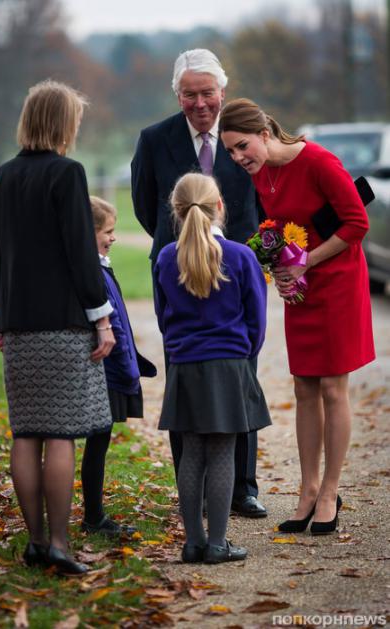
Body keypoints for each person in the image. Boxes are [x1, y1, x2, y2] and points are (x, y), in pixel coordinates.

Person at [220, 98, 375, 535]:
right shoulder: (263, 174)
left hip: (339, 281)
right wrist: (281, 271)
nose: (238, 158)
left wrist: (305, 261)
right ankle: (306, 490)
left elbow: (356, 224)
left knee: (332, 386)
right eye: (231, 151)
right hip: (303, 287)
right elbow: (278, 231)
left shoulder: (321, 163)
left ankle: (329, 491)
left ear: (265, 134)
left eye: (242, 146)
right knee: (304, 385)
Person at [0, 80, 116, 575]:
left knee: (26, 432)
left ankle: (36, 542)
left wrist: (3, 317)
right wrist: (101, 318)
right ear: (63, 123)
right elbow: (82, 257)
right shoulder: (67, 173)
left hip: (18, 324)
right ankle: (60, 543)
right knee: (59, 434)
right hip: (63, 324)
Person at [131, 48, 268, 518]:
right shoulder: (154, 140)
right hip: (180, 271)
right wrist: (187, 252)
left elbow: (264, 200)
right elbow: (145, 207)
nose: (200, 103)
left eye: (207, 93)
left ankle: (241, 488)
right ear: (178, 95)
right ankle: (193, 487)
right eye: (189, 94)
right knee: (184, 375)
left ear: (222, 93)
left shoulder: (243, 138)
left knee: (240, 373)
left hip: (239, 270)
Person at [154, 173, 270, 563]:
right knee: (222, 454)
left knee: (191, 453)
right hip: (228, 364)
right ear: (220, 207)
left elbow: (162, 316)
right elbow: (257, 320)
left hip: (185, 366)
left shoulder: (167, 257)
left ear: (177, 210)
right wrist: (241, 355)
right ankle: (218, 544)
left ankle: (193, 542)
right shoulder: (240, 256)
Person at [81, 196, 156, 537]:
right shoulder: (91, 272)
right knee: (98, 441)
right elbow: (115, 327)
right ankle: (93, 517)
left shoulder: (100, 265)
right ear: (88, 231)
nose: (112, 237)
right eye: (107, 231)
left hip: (113, 369)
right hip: (105, 371)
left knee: (101, 441)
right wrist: (126, 370)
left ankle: (94, 514)